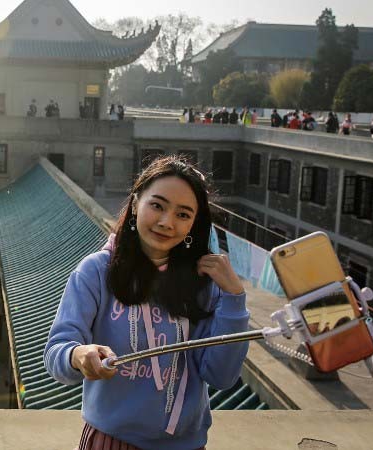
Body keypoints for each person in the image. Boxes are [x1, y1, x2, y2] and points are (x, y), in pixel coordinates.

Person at [45, 156, 249, 450]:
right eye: (157, 205)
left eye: (183, 214)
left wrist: (234, 298)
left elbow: (222, 377)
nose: (167, 222)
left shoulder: (203, 284)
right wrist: (78, 354)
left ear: (194, 224)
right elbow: (56, 351)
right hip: (112, 442)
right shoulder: (97, 271)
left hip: (186, 445)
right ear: (136, 202)